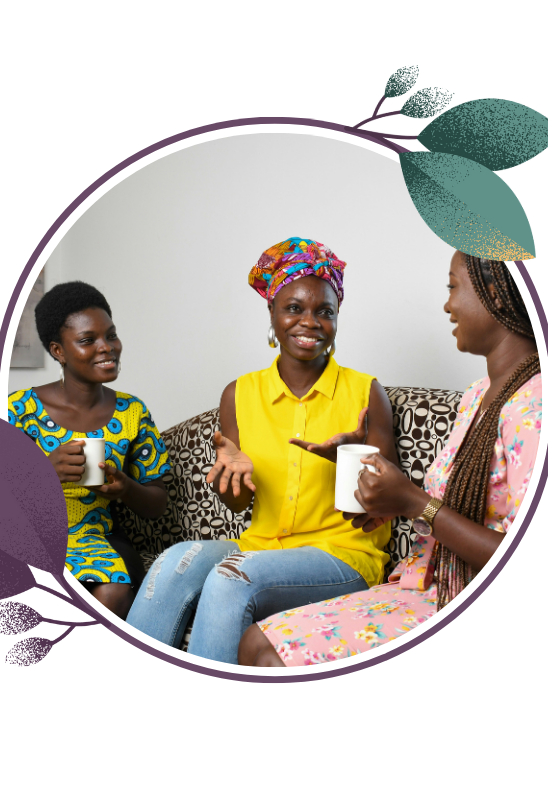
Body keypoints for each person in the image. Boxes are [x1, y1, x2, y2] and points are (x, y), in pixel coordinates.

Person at [238, 250, 546, 669]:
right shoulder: (478, 394)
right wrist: (392, 501)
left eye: (453, 286)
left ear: (493, 292)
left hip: (471, 603)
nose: (447, 304)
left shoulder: (536, 407)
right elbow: (456, 506)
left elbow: (534, 559)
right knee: (257, 642)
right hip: (427, 584)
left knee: (264, 649)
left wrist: (414, 503)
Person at [124, 237, 401, 671]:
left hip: (341, 556)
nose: (309, 322)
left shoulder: (366, 392)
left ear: (336, 319)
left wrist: (353, 462)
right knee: (175, 561)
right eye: (294, 308)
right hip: (258, 547)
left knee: (231, 580)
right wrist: (230, 483)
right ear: (271, 313)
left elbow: (383, 505)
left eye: (324, 312)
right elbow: (239, 502)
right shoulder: (239, 394)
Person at [6, 281, 170, 629]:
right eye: (87, 340)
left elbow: (158, 504)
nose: (106, 347)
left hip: (94, 537)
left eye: (111, 335)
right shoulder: (18, 410)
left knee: (113, 589)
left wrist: (125, 488)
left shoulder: (132, 412)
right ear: (58, 350)